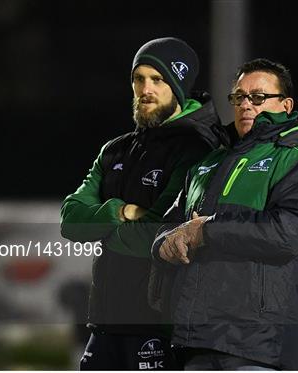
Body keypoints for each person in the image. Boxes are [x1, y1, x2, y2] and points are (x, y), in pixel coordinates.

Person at [151, 58, 298, 370]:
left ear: (286, 105)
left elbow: (291, 232)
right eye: (239, 97)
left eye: (259, 97)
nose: (246, 105)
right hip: (193, 341)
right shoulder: (207, 164)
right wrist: (164, 244)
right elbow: (166, 226)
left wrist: (206, 231)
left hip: (259, 346)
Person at [60, 37, 228, 370]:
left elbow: (156, 235)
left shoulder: (198, 148)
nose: (145, 88)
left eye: (158, 79)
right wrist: (118, 211)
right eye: (139, 79)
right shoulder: (116, 150)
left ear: (178, 86)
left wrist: (104, 230)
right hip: (106, 322)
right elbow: (70, 220)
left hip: (159, 325)